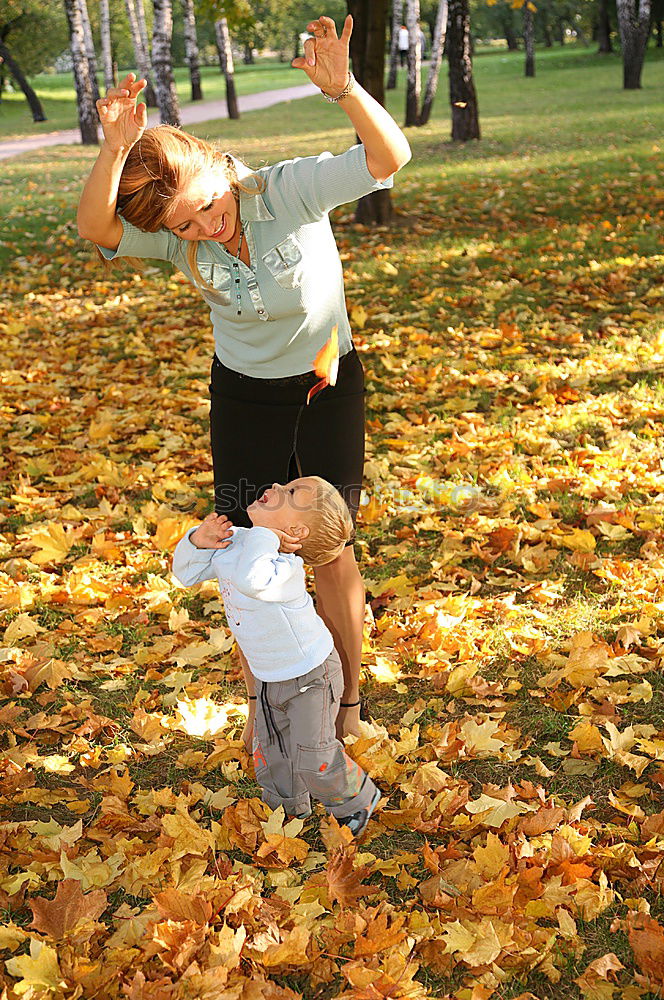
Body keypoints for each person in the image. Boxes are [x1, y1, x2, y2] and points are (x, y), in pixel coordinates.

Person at [76, 13, 411, 752]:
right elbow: (96, 228)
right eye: (182, 229)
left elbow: (387, 157)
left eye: (202, 209)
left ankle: (348, 699)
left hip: (326, 384)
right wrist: (112, 148)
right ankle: (277, 706)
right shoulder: (175, 241)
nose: (201, 230)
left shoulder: (286, 191)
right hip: (244, 395)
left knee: (329, 548)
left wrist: (346, 89)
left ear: (218, 167)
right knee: (245, 550)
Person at [172, 476, 382, 836]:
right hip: (270, 673)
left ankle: (358, 800)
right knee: (274, 750)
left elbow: (254, 579)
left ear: (295, 530)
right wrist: (198, 541)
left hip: (312, 675)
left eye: (290, 492)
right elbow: (185, 574)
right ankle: (286, 811)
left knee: (312, 752)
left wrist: (266, 536)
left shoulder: (285, 568)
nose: (275, 484)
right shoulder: (241, 542)